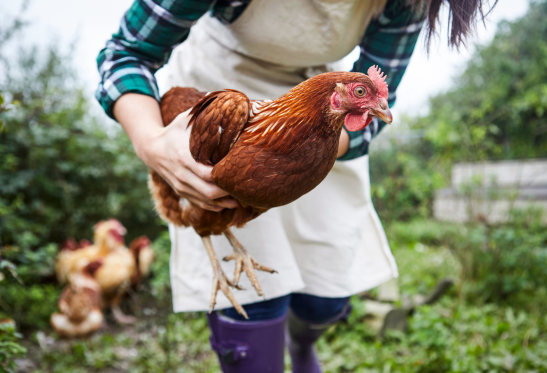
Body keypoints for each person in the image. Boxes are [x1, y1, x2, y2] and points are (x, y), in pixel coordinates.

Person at [96, 1, 488, 371]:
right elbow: (125, 54)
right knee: (253, 296)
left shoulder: (411, 2)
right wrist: (153, 144)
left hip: (316, 114)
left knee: (326, 297)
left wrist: (301, 149)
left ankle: (301, 342)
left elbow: (379, 104)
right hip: (223, 98)